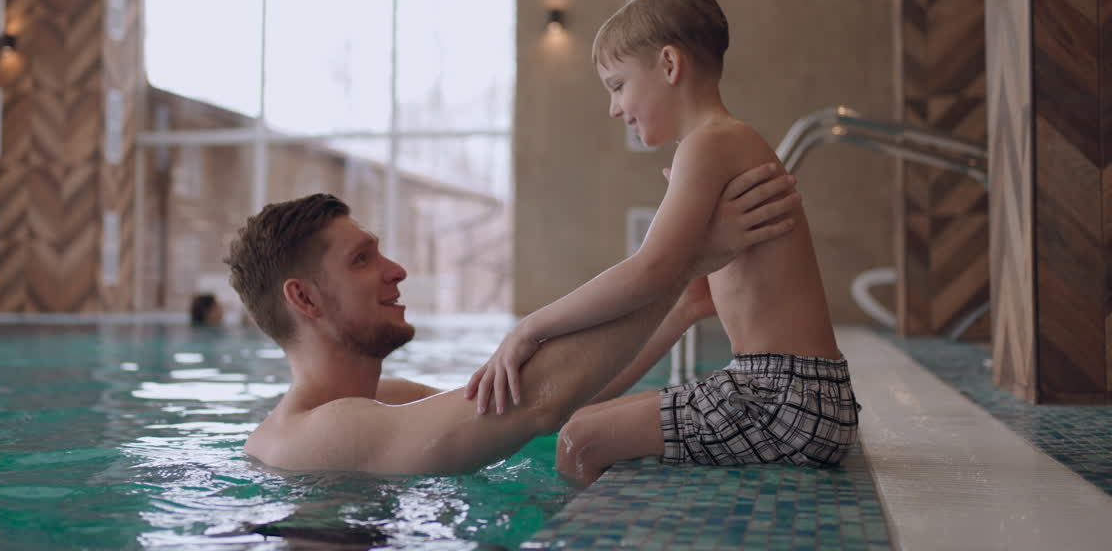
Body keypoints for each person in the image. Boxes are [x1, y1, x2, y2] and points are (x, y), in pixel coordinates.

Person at [466, 0, 859, 486]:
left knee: (580, 440)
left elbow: (650, 272)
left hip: (785, 396)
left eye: (617, 85)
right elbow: (685, 298)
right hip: (802, 394)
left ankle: (564, 527)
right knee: (582, 421)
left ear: (669, 65)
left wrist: (528, 328)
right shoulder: (720, 146)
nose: (614, 108)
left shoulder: (709, 143)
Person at [224, 162, 801, 476]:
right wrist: (685, 257)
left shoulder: (383, 399)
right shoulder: (320, 434)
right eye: (361, 260)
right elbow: (537, 403)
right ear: (304, 299)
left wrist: (683, 306)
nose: (396, 270)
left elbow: (541, 400)